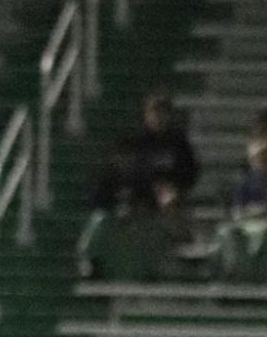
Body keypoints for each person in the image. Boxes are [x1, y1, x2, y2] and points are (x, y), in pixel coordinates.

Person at [80, 89, 199, 278]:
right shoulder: (135, 142)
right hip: (135, 201)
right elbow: (119, 179)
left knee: (168, 204)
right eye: (154, 113)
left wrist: (174, 188)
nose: (158, 118)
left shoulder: (178, 142)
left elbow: (190, 173)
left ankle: (185, 253)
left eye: (162, 113)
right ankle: (91, 261)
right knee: (99, 219)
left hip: (165, 202)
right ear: (146, 115)